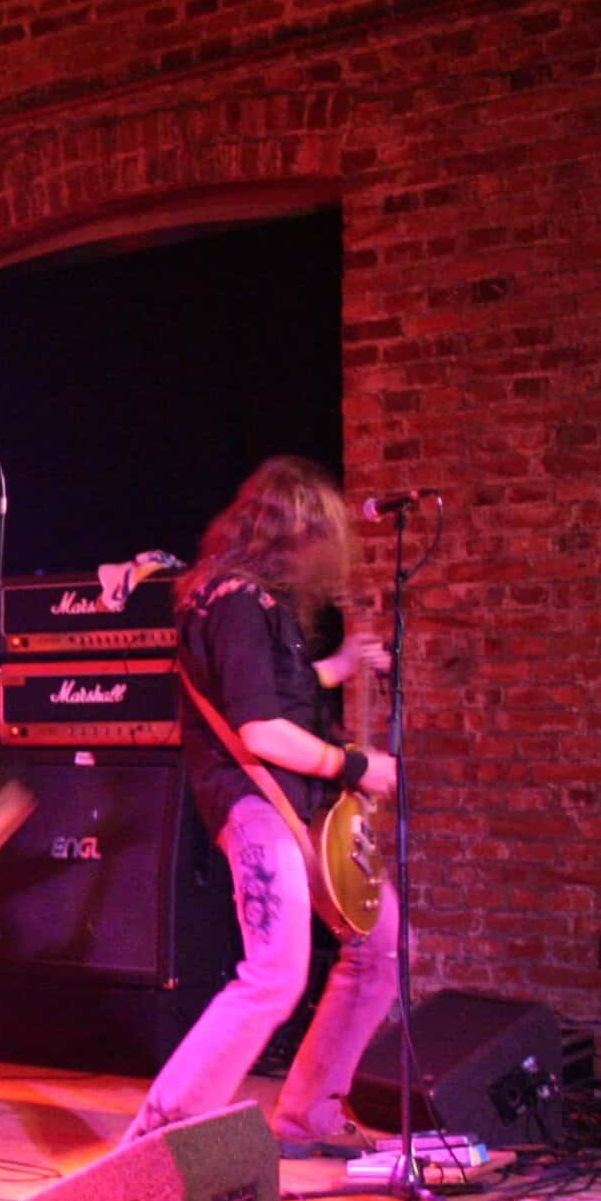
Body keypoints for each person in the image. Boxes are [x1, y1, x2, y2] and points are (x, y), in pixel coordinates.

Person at [117, 456, 399, 1155]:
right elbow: (261, 729)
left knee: (382, 945)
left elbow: (272, 689)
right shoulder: (237, 600)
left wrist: (340, 667)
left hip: (296, 803)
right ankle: (160, 1140)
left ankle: (308, 1117)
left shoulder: (245, 597)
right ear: (294, 532)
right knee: (274, 973)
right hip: (257, 801)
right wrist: (356, 765)